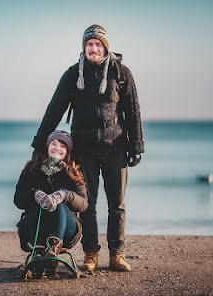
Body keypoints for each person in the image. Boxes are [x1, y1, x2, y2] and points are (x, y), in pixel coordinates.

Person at [30, 25, 145, 272]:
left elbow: (133, 110)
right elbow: (54, 111)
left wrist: (136, 145)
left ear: (105, 46)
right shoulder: (72, 75)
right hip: (83, 150)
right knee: (87, 204)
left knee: (117, 204)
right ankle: (90, 254)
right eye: (89, 44)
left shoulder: (121, 73)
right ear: (84, 47)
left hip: (115, 148)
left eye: (98, 44)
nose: (94, 49)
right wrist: (40, 144)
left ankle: (117, 254)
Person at [14, 130, 88, 278]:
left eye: (63, 146)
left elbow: (83, 204)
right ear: (47, 147)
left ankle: (53, 248)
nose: (57, 148)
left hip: (67, 229)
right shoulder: (32, 169)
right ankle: (38, 251)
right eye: (53, 143)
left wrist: (64, 195)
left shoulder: (74, 171)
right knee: (38, 204)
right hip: (35, 229)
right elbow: (18, 200)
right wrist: (35, 194)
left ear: (67, 151)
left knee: (58, 204)